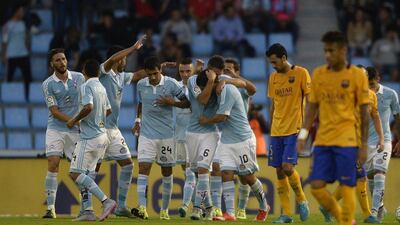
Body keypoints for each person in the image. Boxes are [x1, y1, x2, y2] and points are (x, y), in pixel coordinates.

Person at [297, 31, 370, 225]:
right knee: (316, 187)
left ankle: (345, 222)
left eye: (332, 50)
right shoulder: (319, 73)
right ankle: (343, 219)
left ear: (343, 50)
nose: (327, 55)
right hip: (322, 141)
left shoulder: (356, 75)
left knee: (347, 186)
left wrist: (363, 145)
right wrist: (303, 135)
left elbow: (364, 113)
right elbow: (312, 107)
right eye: (325, 51)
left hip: (347, 140)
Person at [74, 36, 147, 221]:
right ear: (117, 58)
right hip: (98, 130)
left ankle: (120, 206)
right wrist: (133, 47)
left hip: (113, 130)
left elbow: (138, 75)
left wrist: (158, 70)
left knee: (128, 165)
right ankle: (87, 209)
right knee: (91, 171)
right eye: (124, 58)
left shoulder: (121, 77)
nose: (125, 61)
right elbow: (114, 59)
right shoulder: (103, 71)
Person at [198, 69, 270, 221]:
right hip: (227, 139)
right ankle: (230, 213)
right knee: (226, 173)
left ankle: (264, 205)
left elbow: (222, 117)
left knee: (247, 176)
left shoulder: (227, 90)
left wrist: (206, 120)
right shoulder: (220, 84)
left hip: (242, 138)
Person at [321, 66, 385, 224]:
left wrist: (381, 138)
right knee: (360, 176)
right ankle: (367, 215)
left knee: (355, 177)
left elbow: (375, 117)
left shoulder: (371, 96)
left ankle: (328, 205)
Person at [131, 56, 190, 220]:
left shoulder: (172, 84)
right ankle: (142, 207)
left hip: (166, 136)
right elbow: (141, 103)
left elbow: (187, 103)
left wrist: (172, 103)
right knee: (143, 169)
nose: (152, 77)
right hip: (147, 135)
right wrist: (137, 120)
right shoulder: (141, 84)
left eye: (155, 74)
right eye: (149, 74)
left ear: (160, 71)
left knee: (166, 170)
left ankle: (164, 210)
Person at [67, 59, 116, 222]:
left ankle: (105, 201)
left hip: (89, 137)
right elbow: (108, 110)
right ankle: (87, 211)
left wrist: (75, 120)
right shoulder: (101, 87)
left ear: (84, 71)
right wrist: (96, 119)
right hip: (102, 136)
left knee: (74, 173)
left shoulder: (86, 86)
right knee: (86, 176)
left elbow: (88, 107)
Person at [266, 43, 310, 223]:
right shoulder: (273, 77)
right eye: (271, 63)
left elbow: (310, 100)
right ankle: (286, 214)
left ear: (284, 58)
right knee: (278, 171)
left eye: (275, 62)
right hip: (276, 130)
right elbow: (273, 104)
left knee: (287, 167)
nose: (273, 65)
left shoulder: (301, 73)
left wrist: (305, 131)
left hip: (294, 129)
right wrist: (270, 127)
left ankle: (301, 198)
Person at [41, 48, 85, 219]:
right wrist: (73, 120)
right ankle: (50, 208)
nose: (62, 62)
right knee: (53, 163)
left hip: (75, 131)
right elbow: (54, 110)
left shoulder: (79, 78)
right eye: (58, 60)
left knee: (79, 170)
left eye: (64, 59)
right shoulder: (48, 84)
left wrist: (79, 121)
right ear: (52, 64)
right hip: (56, 129)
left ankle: (85, 207)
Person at [223, 58, 258, 220]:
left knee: (244, 175)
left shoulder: (241, 87)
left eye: (230, 69)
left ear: (237, 71)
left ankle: (242, 209)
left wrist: (236, 77)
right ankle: (226, 210)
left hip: (243, 134)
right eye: (225, 70)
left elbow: (253, 89)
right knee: (225, 172)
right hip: (226, 135)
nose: (227, 72)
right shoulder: (223, 87)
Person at [365, 66, 400, 222]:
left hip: (384, 140)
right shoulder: (361, 95)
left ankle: (372, 213)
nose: (370, 89)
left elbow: (398, 118)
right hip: (366, 143)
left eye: (372, 84)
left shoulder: (390, 94)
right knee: (371, 178)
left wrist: (399, 139)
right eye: (368, 85)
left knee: (380, 174)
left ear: (378, 79)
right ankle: (380, 208)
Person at [1, 4, 31, 99]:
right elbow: (4, 42)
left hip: (23, 54)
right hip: (12, 55)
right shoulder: (8, 25)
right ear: (16, 12)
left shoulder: (23, 24)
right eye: (21, 11)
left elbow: (26, 38)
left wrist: (27, 48)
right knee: (9, 79)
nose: (22, 13)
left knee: (28, 78)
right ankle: (7, 97)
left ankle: (27, 97)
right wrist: (3, 55)